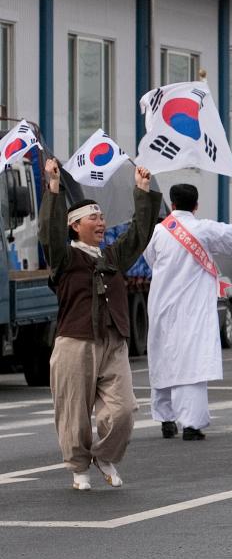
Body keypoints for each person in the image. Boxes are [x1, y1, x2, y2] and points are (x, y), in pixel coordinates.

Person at [39, 158, 160, 490]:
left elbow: (139, 234)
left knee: (123, 411)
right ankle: (79, 467)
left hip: (113, 341)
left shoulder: (113, 256)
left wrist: (142, 190)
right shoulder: (65, 258)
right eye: (93, 217)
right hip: (75, 341)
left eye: (102, 217)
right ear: (75, 226)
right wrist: (52, 187)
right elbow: (48, 233)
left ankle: (105, 455)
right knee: (73, 411)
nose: (101, 222)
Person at [144, 184, 232, 440]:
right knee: (191, 364)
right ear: (196, 205)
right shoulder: (203, 229)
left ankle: (165, 419)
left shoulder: (158, 232)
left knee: (163, 359)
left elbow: (150, 260)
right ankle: (192, 424)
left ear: (172, 205)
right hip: (192, 308)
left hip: (162, 305)